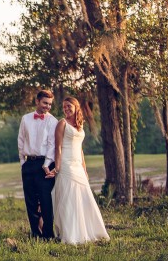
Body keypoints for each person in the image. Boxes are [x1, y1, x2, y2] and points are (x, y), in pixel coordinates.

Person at [49, 96, 109, 244]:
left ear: (76, 107)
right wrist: (57, 167)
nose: (66, 109)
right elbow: (58, 147)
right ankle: (70, 233)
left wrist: (84, 167)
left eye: (69, 106)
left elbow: (80, 148)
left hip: (78, 165)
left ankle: (88, 230)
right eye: (64, 107)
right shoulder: (61, 123)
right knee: (69, 197)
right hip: (66, 164)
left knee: (83, 197)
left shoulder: (79, 125)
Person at [18, 89, 58, 239]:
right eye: (45, 103)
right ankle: (35, 233)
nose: (47, 106)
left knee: (45, 200)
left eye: (50, 104)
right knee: (31, 201)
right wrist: (23, 162)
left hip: (44, 164)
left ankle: (48, 234)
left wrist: (47, 164)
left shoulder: (52, 121)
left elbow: (52, 145)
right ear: (37, 101)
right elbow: (21, 140)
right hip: (28, 164)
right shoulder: (25, 119)